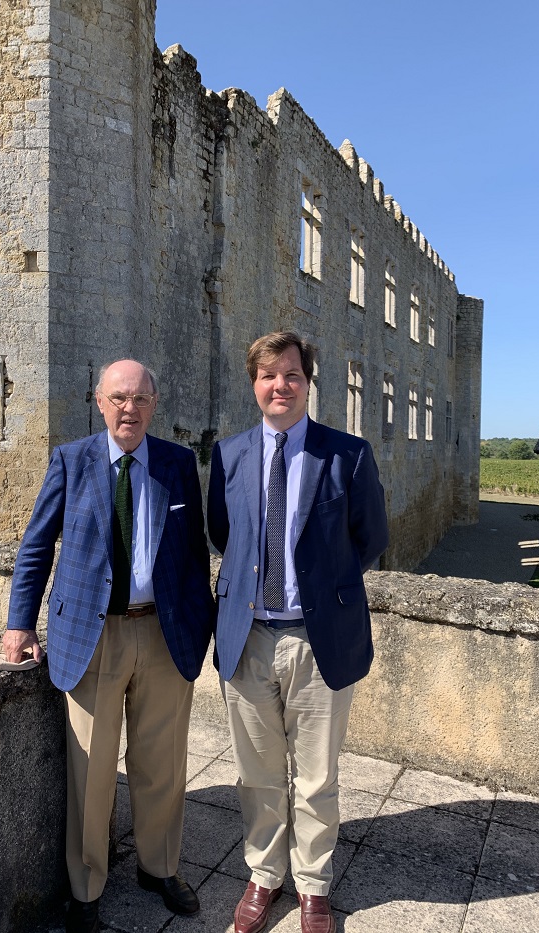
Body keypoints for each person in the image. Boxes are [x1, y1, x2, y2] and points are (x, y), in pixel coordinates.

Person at [3, 359, 215, 933]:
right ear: (99, 402)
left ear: (154, 404)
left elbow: (194, 554)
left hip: (163, 633)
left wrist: (203, 624)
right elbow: (35, 546)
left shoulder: (175, 463)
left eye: (141, 399)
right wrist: (18, 623)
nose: (130, 409)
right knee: (91, 770)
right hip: (92, 635)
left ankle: (160, 867)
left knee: (162, 763)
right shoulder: (72, 461)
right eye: (119, 398)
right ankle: (87, 887)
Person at [208, 332, 388, 933]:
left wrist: (320, 593)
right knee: (257, 772)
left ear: (308, 384)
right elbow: (222, 534)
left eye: (290, 375)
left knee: (316, 775)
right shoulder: (230, 455)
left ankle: (312, 885)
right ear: (253, 384)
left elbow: (370, 540)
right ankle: (264, 875)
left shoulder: (348, 455)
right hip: (248, 636)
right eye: (267, 376)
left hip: (318, 639)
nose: (278, 386)